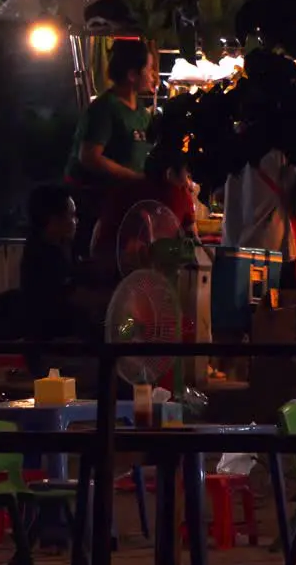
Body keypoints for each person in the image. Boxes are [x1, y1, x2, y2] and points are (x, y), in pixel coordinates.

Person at [64, 39, 159, 258]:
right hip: (96, 207)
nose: (153, 74)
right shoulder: (104, 109)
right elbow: (89, 157)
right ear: (132, 75)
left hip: (124, 204)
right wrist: (134, 177)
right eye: (149, 68)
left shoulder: (142, 114)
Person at [19, 184, 109, 378]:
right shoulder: (45, 256)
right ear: (54, 221)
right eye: (72, 215)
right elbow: (78, 297)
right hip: (55, 352)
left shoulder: (55, 249)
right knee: (113, 373)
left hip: (65, 346)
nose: (76, 221)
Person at [221, 148, 296, 288]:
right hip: (270, 256)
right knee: (272, 307)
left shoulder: (234, 146)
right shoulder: (284, 154)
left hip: (231, 252)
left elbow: (219, 195)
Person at [90, 148, 199, 278]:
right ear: (169, 173)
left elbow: (96, 239)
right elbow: (193, 240)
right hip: (155, 278)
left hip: (109, 274)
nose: (188, 182)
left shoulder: (123, 189)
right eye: (186, 174)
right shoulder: (180, 195)